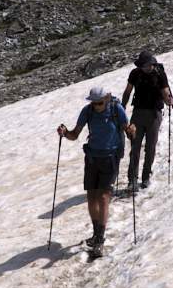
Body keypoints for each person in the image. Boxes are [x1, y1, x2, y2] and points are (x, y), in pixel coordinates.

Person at [57, 86, 136, 258]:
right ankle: (95, 233)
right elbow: (75, 134)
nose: (96, 106)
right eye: (93, 103)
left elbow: (127, 128)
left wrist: (132, 131)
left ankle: (100, 238)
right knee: (92, 197)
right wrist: (65, 133)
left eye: (99, 103)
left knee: (104, 197)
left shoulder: (116, 109)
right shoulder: (87, 111)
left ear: (106, 99)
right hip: (92, 157)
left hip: (111, 157)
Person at [122, 50, 173, 192]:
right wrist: (122, 107)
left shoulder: (159, 74)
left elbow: (165, 91)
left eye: (148, 65)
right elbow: (127, 91)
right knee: (135, 147)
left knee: (150, 147)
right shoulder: (135, 73)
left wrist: (168, 100)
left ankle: (145, 177)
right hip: (138, 113)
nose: (146, 67)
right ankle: (133, 179)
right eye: (144, 65)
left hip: (154, 113)